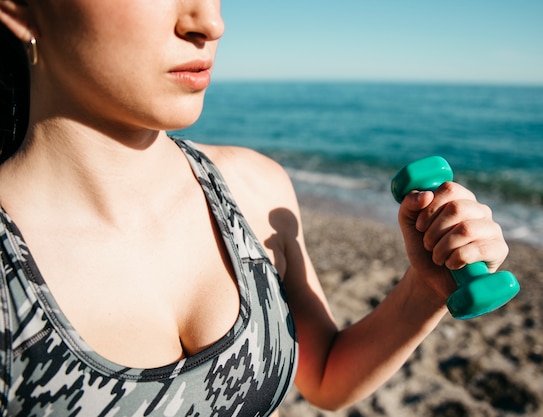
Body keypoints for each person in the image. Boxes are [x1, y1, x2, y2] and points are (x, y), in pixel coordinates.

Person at [0, 1, 510, 416]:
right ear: (20, 9)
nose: (209, 22)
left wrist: (424, 290)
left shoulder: (253, 188)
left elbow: (326, 377)